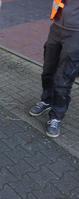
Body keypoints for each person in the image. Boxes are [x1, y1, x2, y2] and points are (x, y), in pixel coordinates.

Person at [29, 0, 79, 137]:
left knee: (63, 79)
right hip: (57, 27)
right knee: (48, 70)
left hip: (76, 33)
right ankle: (46, 101)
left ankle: (56, 117)